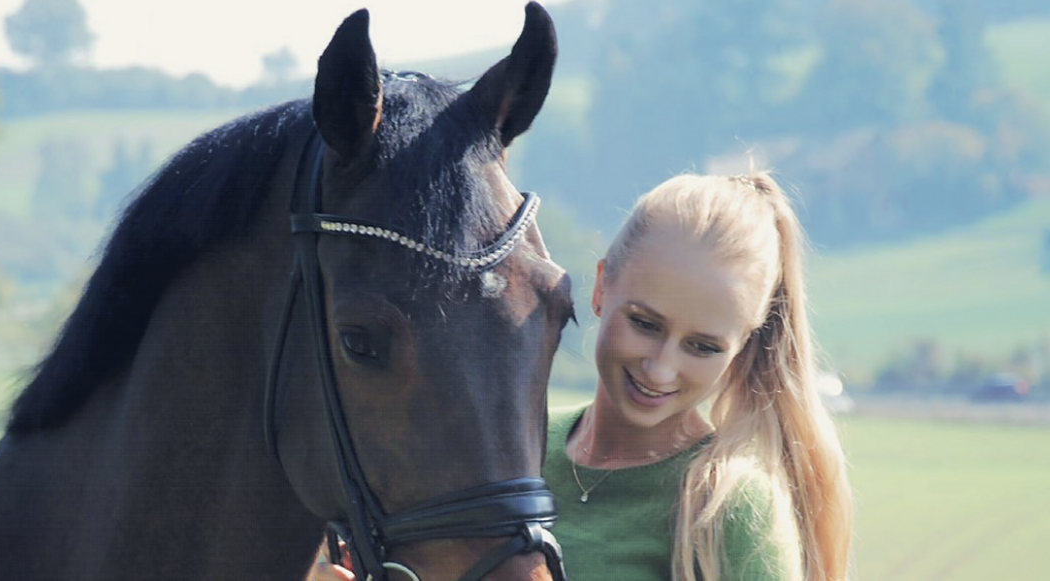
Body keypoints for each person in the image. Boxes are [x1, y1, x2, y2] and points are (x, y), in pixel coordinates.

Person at [309, 171, 853, 581]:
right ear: (599, 288)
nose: (661, 366)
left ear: (742, 348)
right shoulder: (506, 454)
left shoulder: (730, 508)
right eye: (644, 323)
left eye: (703, 346)